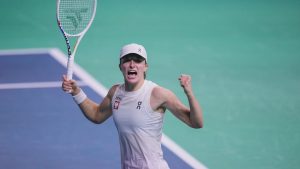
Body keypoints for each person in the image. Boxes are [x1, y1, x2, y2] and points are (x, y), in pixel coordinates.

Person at [61, 43, 203, 169]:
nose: (132, 64)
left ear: (145, 67)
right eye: (127, 60)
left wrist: (189, 93)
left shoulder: (158, 94)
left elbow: (196, 122)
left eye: (138, 60)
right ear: (120, 66)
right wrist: (76, 92)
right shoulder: (115, 92)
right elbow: (97, 115)